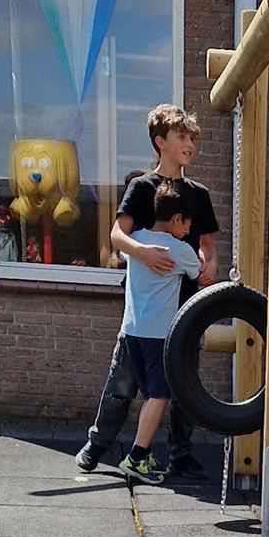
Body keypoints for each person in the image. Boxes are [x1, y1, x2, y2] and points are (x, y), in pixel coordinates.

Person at [77, 104, 221, 479]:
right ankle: (97, 445)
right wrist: (141, 252)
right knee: (123, 382)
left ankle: (181, 453)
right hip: (143, 308)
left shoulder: (198, 194)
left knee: (182, 382)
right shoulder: (142, 187)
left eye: (192, 138)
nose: (189, 144)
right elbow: (117, 235)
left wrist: (209, 264)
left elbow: (206, 243)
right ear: (161, 143)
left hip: (185, 304)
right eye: (181, 137)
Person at [116, 190, 200, 482]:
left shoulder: (136, 239)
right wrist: (198, 252)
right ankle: (136, 457)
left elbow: (121, 249)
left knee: (150, 395)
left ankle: (145, 451)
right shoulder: (180, 250)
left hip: (131, 330)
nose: (189, 231)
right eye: (187, 225)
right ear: (176, 218)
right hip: (158, 335)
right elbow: (197, 273)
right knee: (160, 395)